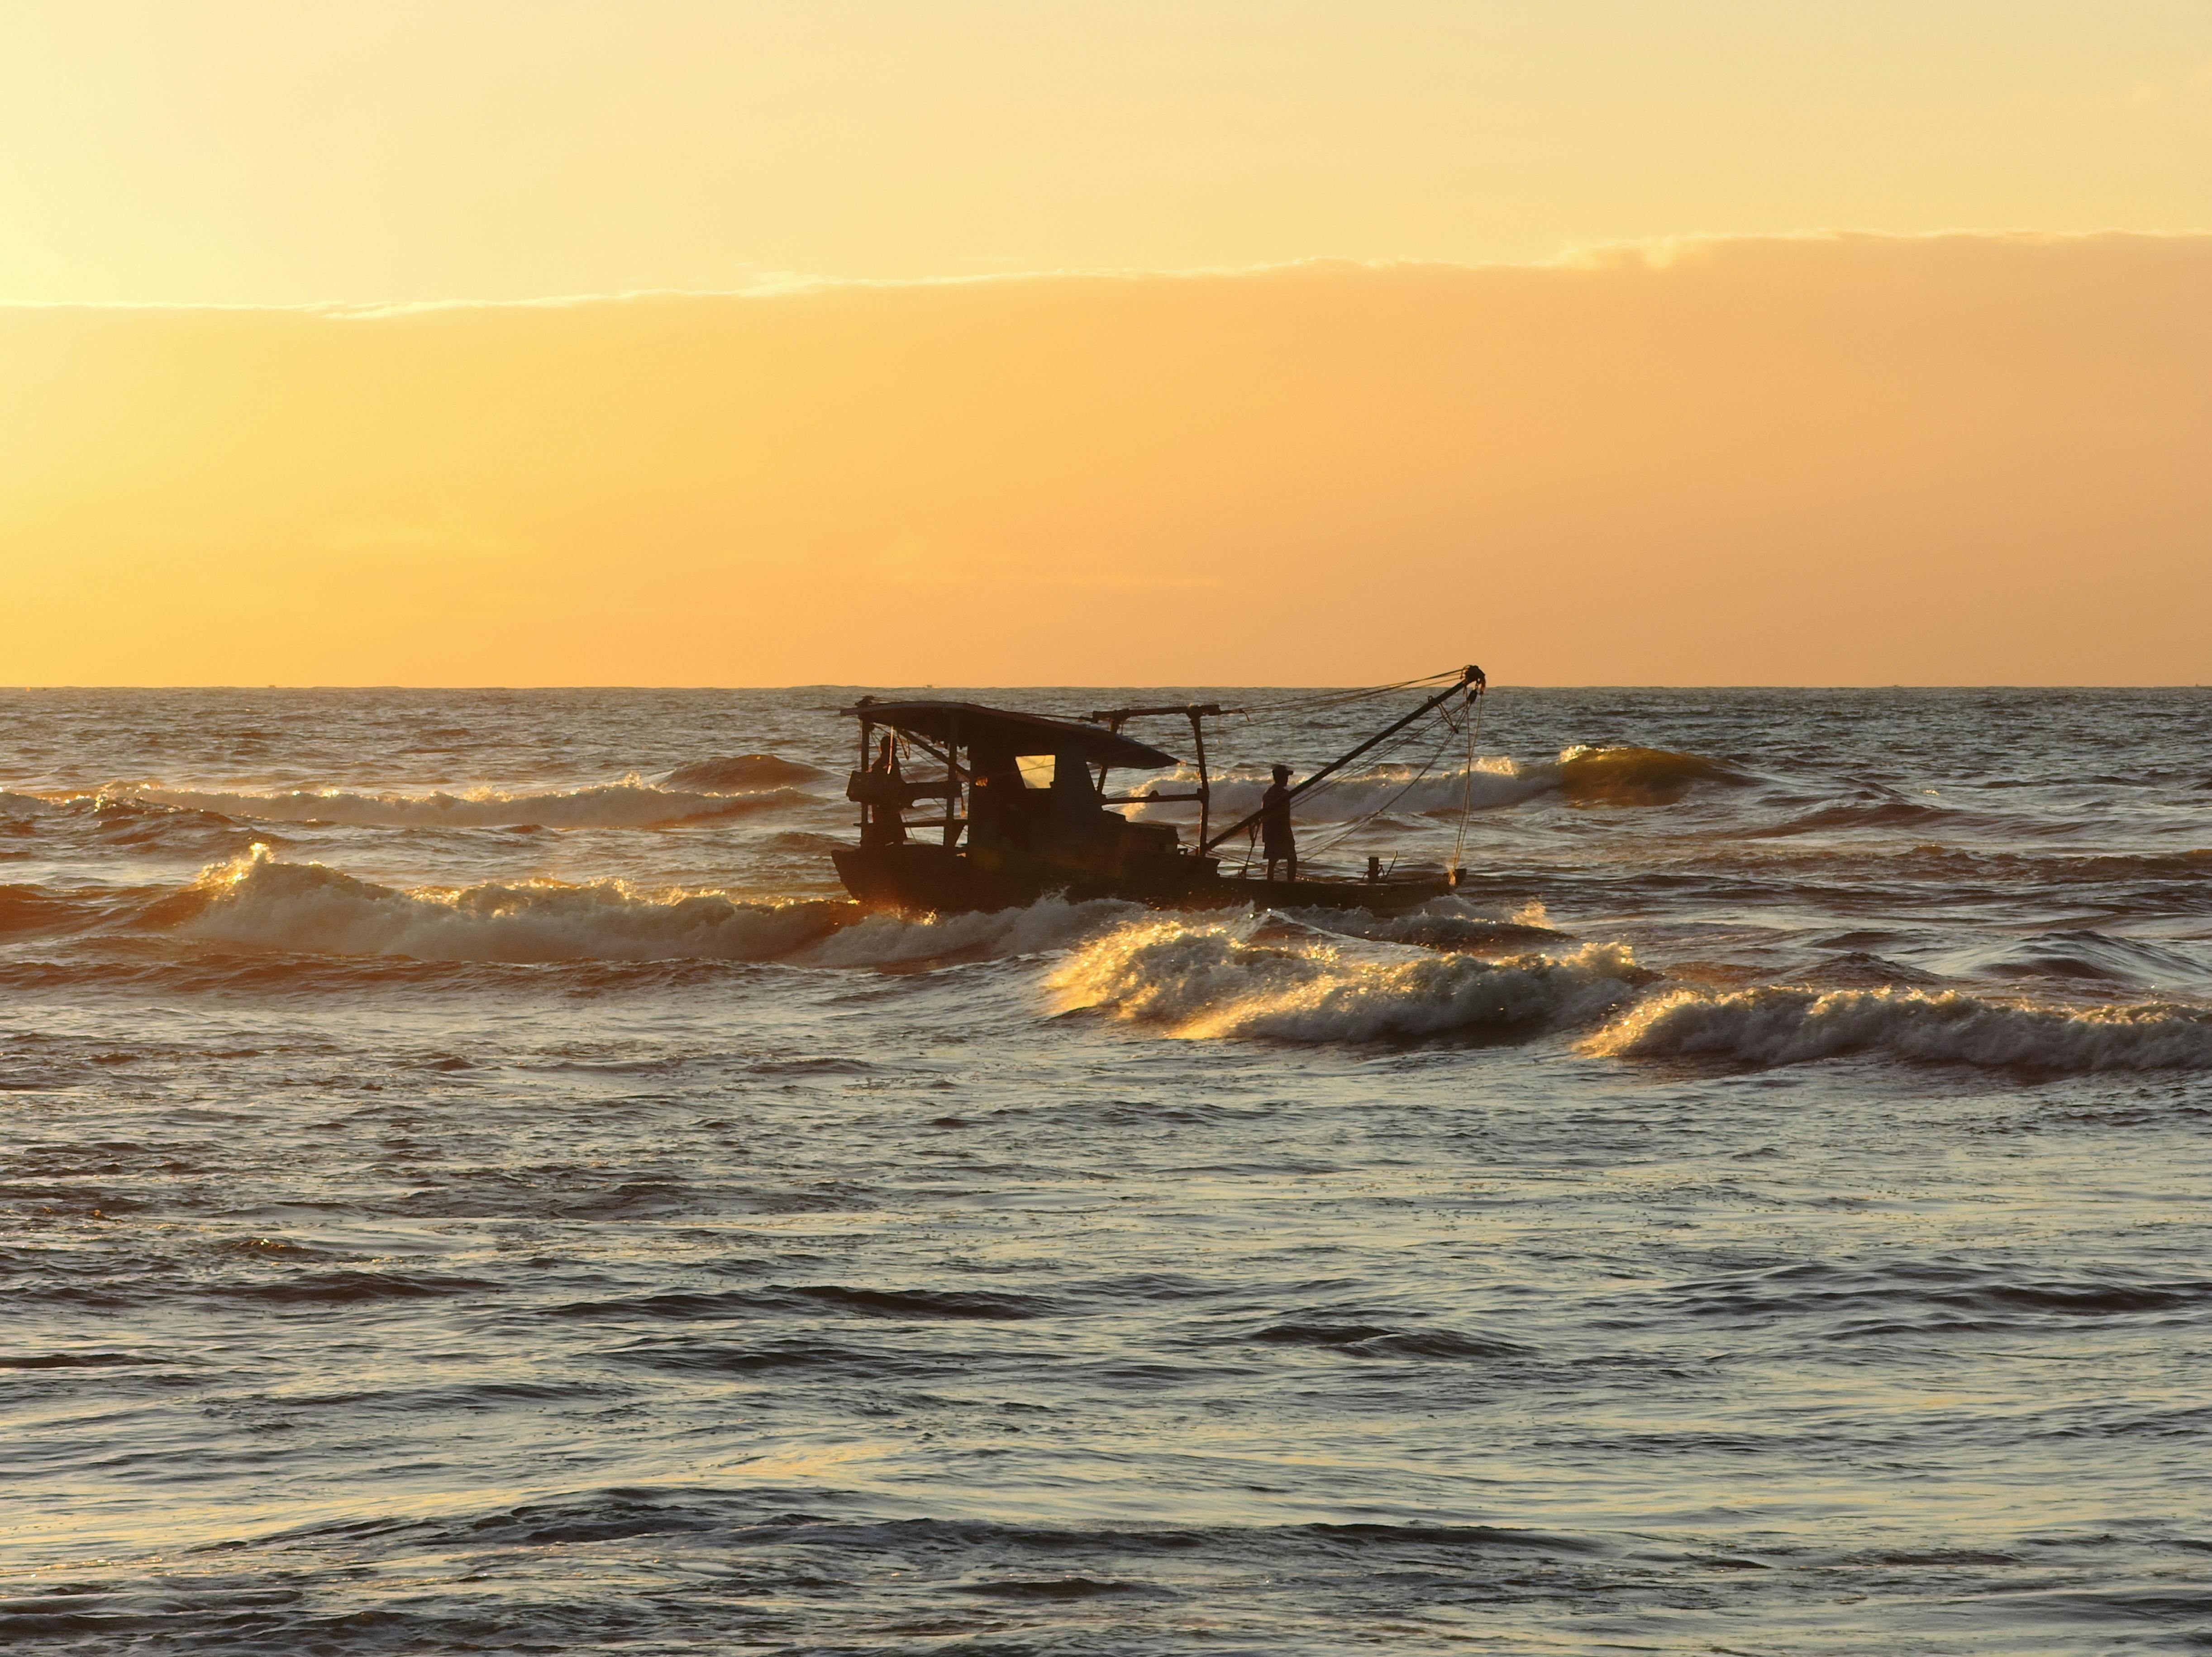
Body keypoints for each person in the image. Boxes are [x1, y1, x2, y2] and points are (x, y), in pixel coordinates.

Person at [1260, 763, 1297, 882]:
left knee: (1272, 861)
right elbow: (1285, 818)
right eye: (1286, 777)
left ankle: (1269, 883)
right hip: (1281, 833)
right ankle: (1290, 885)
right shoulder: (1284, 794)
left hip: (1270, 832)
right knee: (1292, 859)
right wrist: (1289, 836)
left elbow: (1264, 815)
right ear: (1282, 778)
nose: (1287, 779)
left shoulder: (1268, 793)